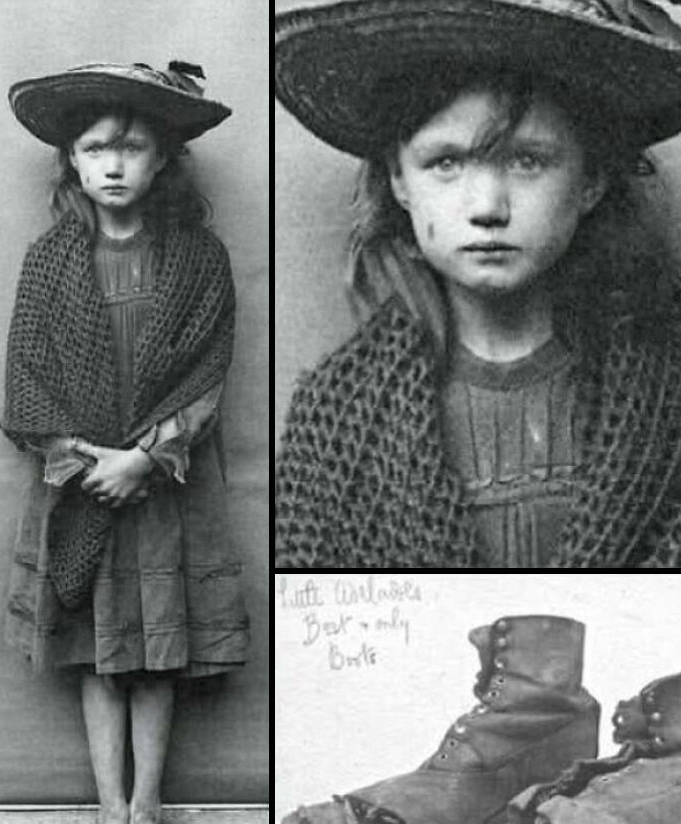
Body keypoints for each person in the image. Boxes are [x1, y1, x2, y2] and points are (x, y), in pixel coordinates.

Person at [275, 0, 681, 569]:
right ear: (398, 180)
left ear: (591, 178)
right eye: (446, 162)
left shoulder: (666, 392)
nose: (488, 206)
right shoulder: (335, 415)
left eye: (528, 161)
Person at [1, 62, 250, 824]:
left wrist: (144, 457)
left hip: (162, 488)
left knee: (152, 657)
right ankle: (108, 816)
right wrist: (83, 462)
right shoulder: (48, 264)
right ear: (71, 161)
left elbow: (208, 369)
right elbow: (27, 379)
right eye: (95, 147)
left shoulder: (200, 259)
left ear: (162, 161)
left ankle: (147, 819)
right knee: (100, 656)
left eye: (132, 147)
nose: (113, 165)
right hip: (80, 489)